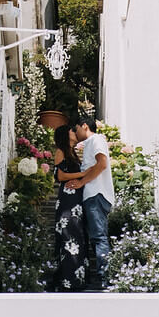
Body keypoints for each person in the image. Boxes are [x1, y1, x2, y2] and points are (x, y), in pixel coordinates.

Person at [72, 115, 115, 289]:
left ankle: (105, 281)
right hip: (93, 195)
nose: (75, 132)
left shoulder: (96, 139)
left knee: (99, 238)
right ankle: (101, 279)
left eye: (76, 129)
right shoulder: (91, 143)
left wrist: (82, 182)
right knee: (95, 238)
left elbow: (102, 163)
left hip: (96, 194)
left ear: (84, 126)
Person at [53, 124, 88, 291]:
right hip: (67, 199)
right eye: (72, 131)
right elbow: (60, 176)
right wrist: (83, 174)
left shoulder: (72, 152)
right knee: (69, 238)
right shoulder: (61, 151)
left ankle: (76, 279)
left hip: (76, 199)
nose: (75, 132)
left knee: (77, 237)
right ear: (65, 135)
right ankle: (67, 281)